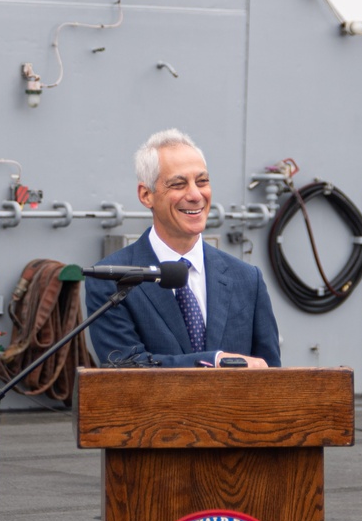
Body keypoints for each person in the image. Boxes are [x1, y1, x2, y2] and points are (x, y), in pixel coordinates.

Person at [85, 129, 281, 369]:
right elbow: (124, 367)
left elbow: (271, 374)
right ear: (146, 195)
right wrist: (214, 361)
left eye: (202, 182)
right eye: (178, 184)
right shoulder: (111, 280)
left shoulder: (248, 279)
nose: (195, 195)